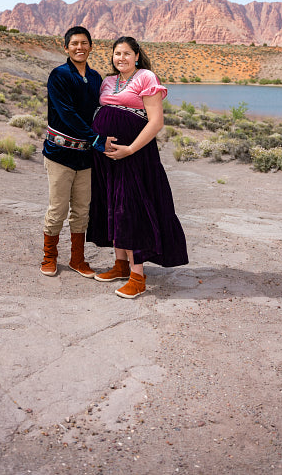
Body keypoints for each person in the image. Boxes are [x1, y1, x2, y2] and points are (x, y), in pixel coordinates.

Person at [87, 36, 188, 298]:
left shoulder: (146, 77)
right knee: (113, 206)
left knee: (130, 209)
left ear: (136, 55)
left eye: (126, 53)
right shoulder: (108, 82)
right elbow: (100, 115)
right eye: (117, 53)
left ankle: (137, 276)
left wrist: (130, 149)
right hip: (107, 157)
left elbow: (155, 122)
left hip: (135, 156)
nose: (121, 58)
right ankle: (120, 265)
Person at [41, 26, 114, 278]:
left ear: (91, 46)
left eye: (84, 43)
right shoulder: (58, 75)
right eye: (74, 43)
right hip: (59, 154)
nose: (79, 47)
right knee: (58, 209)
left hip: (86, 157)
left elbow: (103, 111)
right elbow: (67, 114)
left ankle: (77, 259)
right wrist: (97, 138)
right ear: (66, 48)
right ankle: (49, 257)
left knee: (82, 210)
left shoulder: (95, 78)